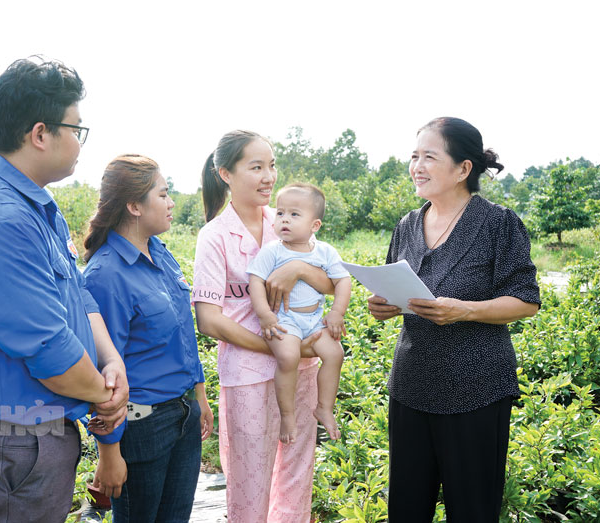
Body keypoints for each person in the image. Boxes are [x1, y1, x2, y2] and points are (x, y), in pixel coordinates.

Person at [0, 57, 128, 523]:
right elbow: (49, 349)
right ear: (41, 134)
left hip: (36, 432)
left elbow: (78, 296)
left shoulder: (38, 208)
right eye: (76, 129)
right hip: (12, 441)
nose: (80, 142)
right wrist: (105, 397)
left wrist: (111, 360)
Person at [367, 117, 541, 522]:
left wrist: (465, 309)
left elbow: (526, 301)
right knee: (407, 507)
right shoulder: (408, 225)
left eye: (429, 156)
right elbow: (397, 285)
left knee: (472, 508)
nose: (417, 166)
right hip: (411, 385)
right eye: (414, 156)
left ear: (464, 169)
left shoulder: (498, 223)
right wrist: (384, 305)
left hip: (476, 388)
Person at [193, 130, 335, 523]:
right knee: (250, 481)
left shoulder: (285, 221)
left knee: (296, 474)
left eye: (271, 165)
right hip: (248, 374)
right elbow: (209, 320)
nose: (269, 176)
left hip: (301, 368)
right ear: (226, 173)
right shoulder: (215, 236)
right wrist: (276, 346)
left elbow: (331, 281)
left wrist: (299, 267)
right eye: (256, 167)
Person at [82, 154, 214, 522]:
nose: (172, 203)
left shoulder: (160, 253)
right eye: (164, 194)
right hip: (142, 428)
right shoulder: (105, 275)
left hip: (182, 416)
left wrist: (199, 395)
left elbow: (184, 335)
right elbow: (101, 376)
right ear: (134, 205)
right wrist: (110, 453)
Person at [247, 182, 351, 444]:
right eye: (280, 213)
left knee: (335, 353)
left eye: (295, 214)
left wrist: (337, 312)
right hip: (285, 320)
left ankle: (324, 407)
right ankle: (288, 414)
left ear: (314, 225)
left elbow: (343, 282)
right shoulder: (273, 251)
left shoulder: (325, 252)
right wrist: (264, 315)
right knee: (289, 356)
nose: (284, 219)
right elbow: (255, 281)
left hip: (315, 321)